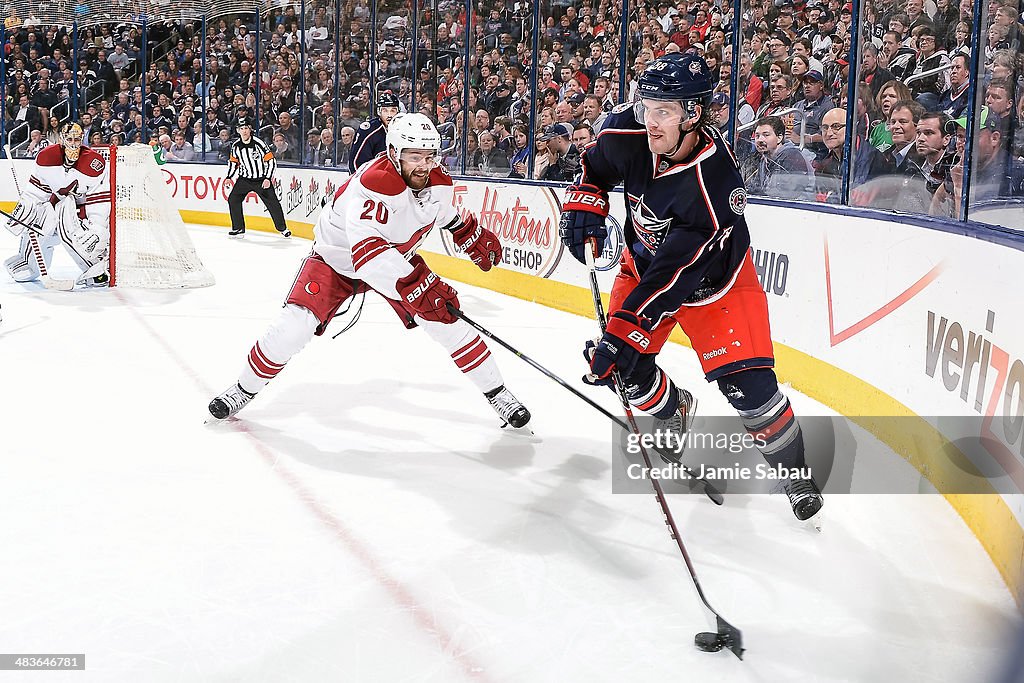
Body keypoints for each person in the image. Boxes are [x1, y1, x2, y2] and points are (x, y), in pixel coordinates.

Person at [557, 53, 823, 521]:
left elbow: (676, 276)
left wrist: (621, 329)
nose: (650, 121)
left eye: (664, 110)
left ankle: (793, 471)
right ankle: (673, 409)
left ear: (693, 114)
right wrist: (586, 200)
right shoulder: (628, 130)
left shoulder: (713, 181)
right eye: (647, 106)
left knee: (751, 390)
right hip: (641, 267)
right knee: (628, 371)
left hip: (713, 282)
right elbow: (594, 167)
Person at [208, 114, 531, 429]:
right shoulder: (375, 184)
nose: (423, 164)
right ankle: (243, 389)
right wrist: (418, 286)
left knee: (448, 323)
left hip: (394, 257)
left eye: (429, 156)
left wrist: (466, 232)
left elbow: (442, 212)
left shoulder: (437, 180)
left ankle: (498, 393)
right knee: (293, 327)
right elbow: (369, 259)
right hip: (338, 260)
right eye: (413, 155)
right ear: (393, 153)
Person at [4, 123, 111, 287]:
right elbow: (37, 192)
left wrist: (97, 227)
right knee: (39, 222)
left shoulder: (94, 164)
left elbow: (99, 200)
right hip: (54, 208)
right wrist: (26, 208)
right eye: (69, 138)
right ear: (61, 139)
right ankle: (28, 263)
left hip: (80, 216)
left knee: (80, 236)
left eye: (77, 138)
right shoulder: (46, 158)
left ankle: (95, 268)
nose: (74, 143)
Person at [225, 118, 291, 238]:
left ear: (250, 130)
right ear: (238, 131)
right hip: (244, 179)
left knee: (273, 203)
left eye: (246, 128)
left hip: (261, 179)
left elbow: (271, 161)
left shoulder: (258, 143)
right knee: (233, 199)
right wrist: (229, 177)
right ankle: (238, 227)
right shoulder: (236, 146)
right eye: (241, 129)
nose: (244, 131)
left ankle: (283, 228)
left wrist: (267, 178)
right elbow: (233, 162)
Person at [348, 90, 401, 172]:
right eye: (385, 110)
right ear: (379, 112)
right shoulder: (369, 131)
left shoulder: (404, 130)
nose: (389, 115)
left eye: (393, 110)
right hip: (372, 180)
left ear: (398, 112)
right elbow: (356, 162)